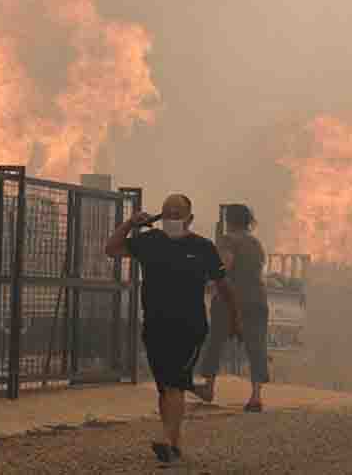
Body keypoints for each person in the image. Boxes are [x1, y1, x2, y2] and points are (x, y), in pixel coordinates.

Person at [105, 194, 232, 464]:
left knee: (173, 384)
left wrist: (233, 318)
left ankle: (165, 437)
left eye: (178, 213)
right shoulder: (149, 242)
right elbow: (112, 249)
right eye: (167, 213)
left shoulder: (203, 247)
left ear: (190, 218)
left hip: (190, 327)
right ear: (159, 217)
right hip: (155, 326)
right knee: (166, 388)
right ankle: (174, 445)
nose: (172, 217)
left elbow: (223, 285)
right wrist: (130, 223)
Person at [195, 204, 270, 412]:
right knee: (256, 347)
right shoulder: (256, 243)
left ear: (229, 221)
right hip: (257, 300)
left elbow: (224, 266)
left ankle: (209, 388)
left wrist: (208, 282)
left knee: (215, 342)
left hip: (231, 300)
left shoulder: (228, 240)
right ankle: (256, 396)